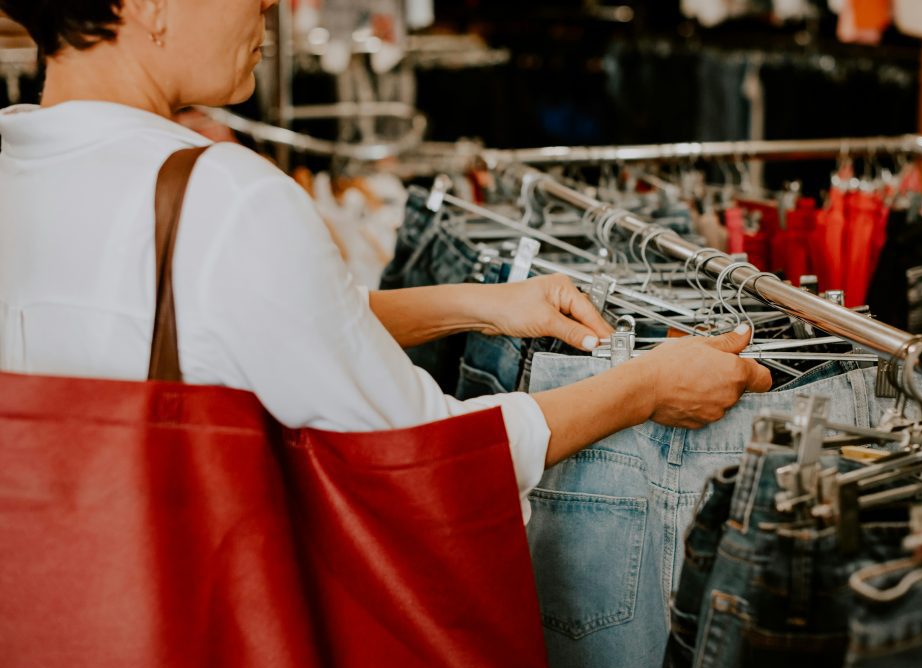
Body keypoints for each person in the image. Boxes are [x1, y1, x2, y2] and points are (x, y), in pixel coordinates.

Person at [0, 0, 771, 522]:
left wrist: (481, 303)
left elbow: (230, 331)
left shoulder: (24, 172)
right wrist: (644, 387)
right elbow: (432, 458)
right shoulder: (224, 200)